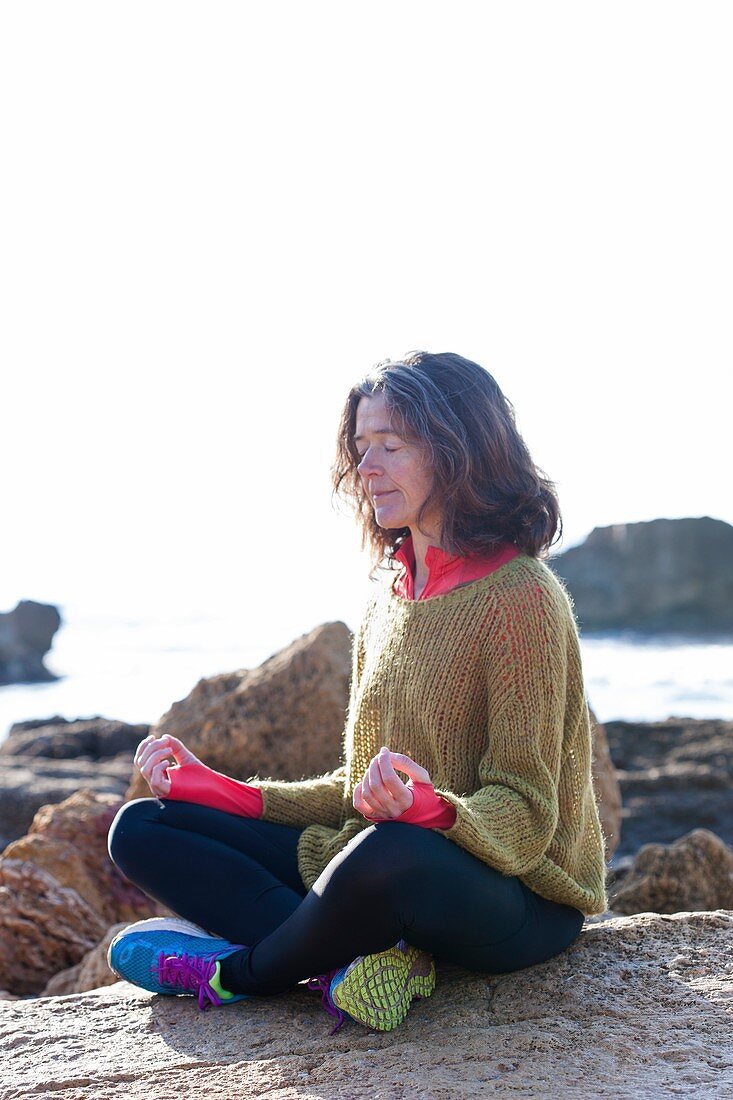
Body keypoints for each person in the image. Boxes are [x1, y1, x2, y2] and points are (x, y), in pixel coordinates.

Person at [106, 350, 609, 1035]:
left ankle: (237, 975)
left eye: (390, 447)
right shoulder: (390, 594)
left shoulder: (521, 598)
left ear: (459, 450)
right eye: (360, 446)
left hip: (515, 901)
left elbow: (525, 812)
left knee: (392, 849)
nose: (365, 468)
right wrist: (216, 789)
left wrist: (429, 810)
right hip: (382, 872)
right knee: (143, 827)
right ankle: (360, 962)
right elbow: (356, 789)